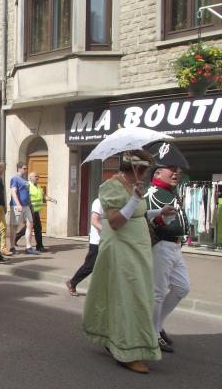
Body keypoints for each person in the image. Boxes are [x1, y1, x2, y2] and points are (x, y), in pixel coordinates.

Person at [83, 150, 173, 374]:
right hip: (121, 252)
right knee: (130, 299)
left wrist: (159, 211)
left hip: (138, 252)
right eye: (146, 170)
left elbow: (136, 214)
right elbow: (115, 221)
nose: (146, 175)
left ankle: (116, 339)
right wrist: (134, 198)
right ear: (137, 168)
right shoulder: (110, 187)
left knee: (136, 297)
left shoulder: (133, 186)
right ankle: (126, 351)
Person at [146, 142, 191, 354]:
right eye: (172, 169)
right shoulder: (152, 192)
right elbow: (146, 217)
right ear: (158, 172)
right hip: (161, 246)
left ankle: (158, 324)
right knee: (157, 292)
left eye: (178, 170)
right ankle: (152, 334)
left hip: (175, 247)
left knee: (182, 287)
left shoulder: (171, 192)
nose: (177, 173)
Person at [66, 198, 102, 296]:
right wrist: (106, 231)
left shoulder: (113, 202)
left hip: (108, 241)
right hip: (97, 241)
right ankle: (72, 282)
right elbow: (94, 220)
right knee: (90, 266)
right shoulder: (98, 202)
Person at [15, 172, 57, 252]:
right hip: (29, 209)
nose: (38, 177)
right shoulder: (27, 186)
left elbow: (43, 196)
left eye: (38, 176)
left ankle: (17, 238)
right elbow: (22, 197)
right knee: (34, 227)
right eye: (36, 176)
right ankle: (39, 246)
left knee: (34, 227)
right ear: (30, 178)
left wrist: (51, 199)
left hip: (36, 210)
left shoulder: (38, 186)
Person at [9, 162, 38, 255]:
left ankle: (28, 247)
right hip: (16, 206)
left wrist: (29, 204)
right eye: (24, 168)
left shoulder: (24, 179)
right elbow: (13, 192)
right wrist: (18, 204)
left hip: (26, 206)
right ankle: (12, 247)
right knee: (14, 227)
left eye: (26, 168)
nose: (26, 170)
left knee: (30, 223)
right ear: (19, 168)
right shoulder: (15, 179)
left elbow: (26, 193)